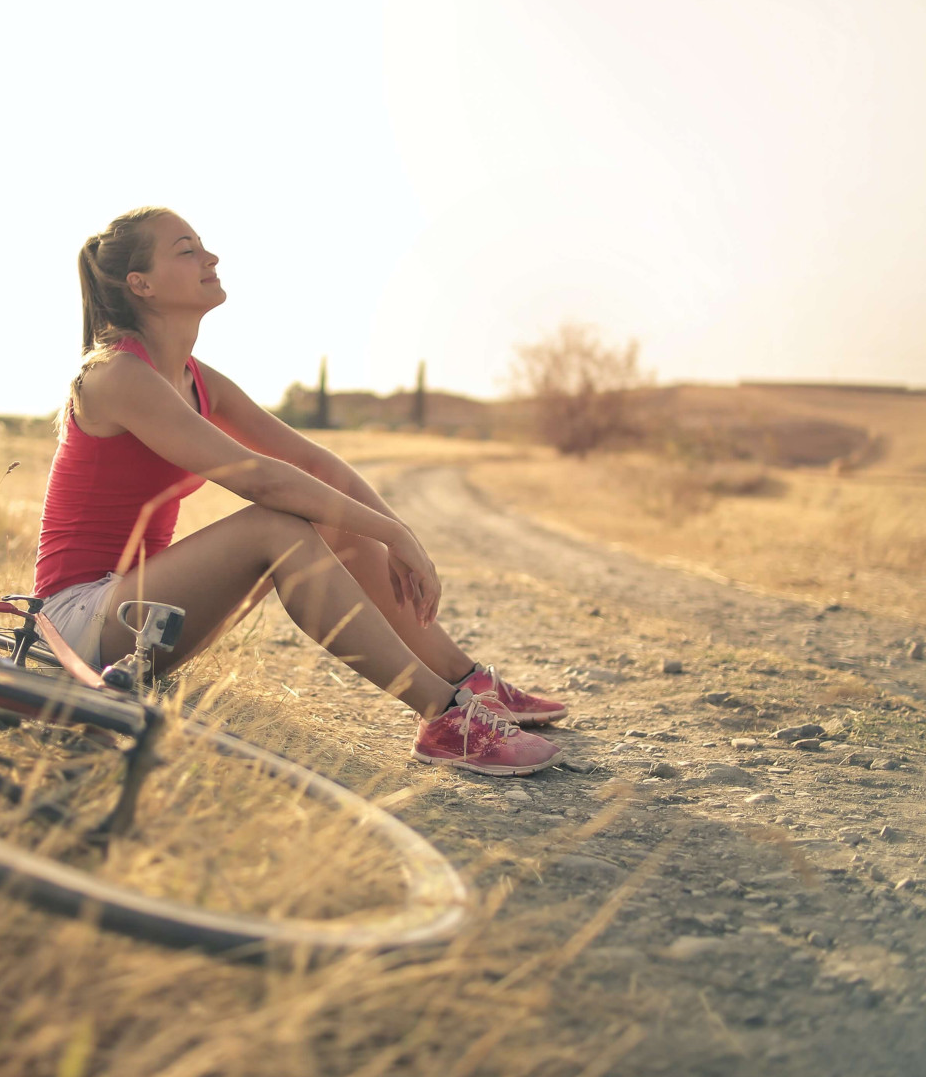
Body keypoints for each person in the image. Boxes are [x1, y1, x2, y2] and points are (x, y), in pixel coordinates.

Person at [34, 206, 566, 775]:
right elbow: (258, 476)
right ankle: (443, 715)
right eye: (186, 250)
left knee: (335, 516)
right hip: (77, 622)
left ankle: (467, 683)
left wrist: (396, 535)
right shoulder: (116, 375)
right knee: (276, 524)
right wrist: (389, 531)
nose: (210, 258)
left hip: (145, 619)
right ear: (141, 284)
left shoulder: (195, 378)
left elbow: (311, 460)